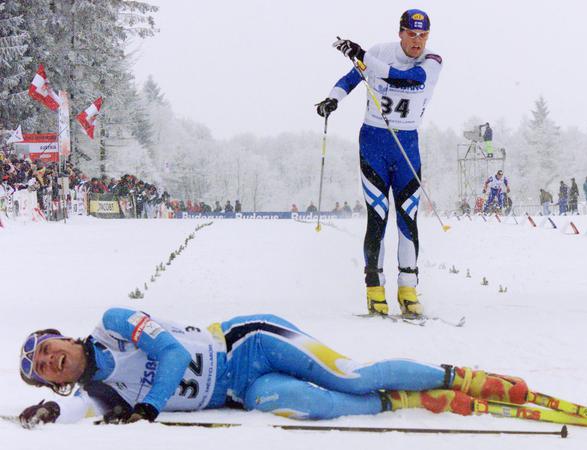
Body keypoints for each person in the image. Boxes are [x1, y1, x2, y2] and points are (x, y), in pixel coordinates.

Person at [18, 308, 528, 428]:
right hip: (242, 390)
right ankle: (405, 399)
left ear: (60, 335)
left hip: (248, 344)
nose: (51, 361)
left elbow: (171, 354)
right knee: (318, 404)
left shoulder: (112, 323)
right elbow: (84, 413)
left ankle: (456, 375)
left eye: (47, 349)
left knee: (348, 374)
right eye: (45, 371)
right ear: (56, 381)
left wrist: (149, 407)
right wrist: (44, 412)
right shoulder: (106, 396)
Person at [315, 9, 442, 317]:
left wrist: (360, 54)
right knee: (378, 216)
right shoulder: (380, 52)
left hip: (406, 146)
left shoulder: (432, 62)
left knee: (407, 218)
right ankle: (375, 289)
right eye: (411, 35)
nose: (417, 42)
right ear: (400, 33)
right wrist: (333, 99)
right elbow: (352, 77)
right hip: (374, 142)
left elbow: (406, 79)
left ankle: (408, 289)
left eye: (422, 36)